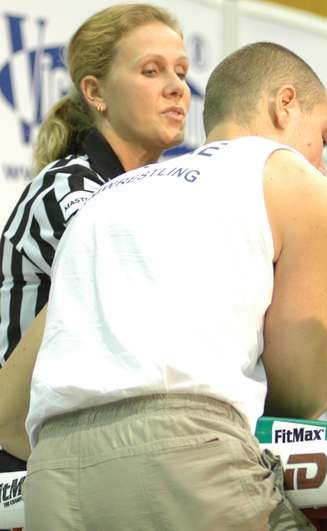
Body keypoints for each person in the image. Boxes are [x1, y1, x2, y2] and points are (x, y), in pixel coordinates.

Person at [15, 41, 327, 530]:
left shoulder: (109, 198)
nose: (321, 162)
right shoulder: (302, 185)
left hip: (55, 475)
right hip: (182, 461)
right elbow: (304, 394)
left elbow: (10, 407)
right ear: (285, 104)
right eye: (323, 136)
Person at [0, 3, 190, 472]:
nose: (177, 87)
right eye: (151, 70)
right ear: (95, 91)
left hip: (94, 450)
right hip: (21, 465)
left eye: (182, 72)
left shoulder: (166, 197)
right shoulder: (67, 186)